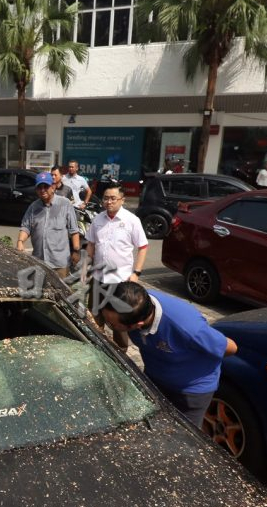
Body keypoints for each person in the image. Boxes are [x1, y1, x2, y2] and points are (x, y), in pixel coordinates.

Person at [101, 281, 238, 427]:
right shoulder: (134, 303)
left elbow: (231, 348)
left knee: (184, 440)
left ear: (137, 325)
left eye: (111, 324)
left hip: (190, 392)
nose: (109, 326)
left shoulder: (188, 328)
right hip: (155, 380)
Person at [85, 186, 148, 346]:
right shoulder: (98, 219)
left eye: (113, 198)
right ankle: (96, 347)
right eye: (106, 198)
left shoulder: (132, 220)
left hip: (120, 281)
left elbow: (143, 247)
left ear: (122, 200)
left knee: (119, 321)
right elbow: (91, 244)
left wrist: (136, 273)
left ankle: (120, 353)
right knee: (94, 317)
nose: (108, 202)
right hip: (99, 279)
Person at [17, 171, 80, 278]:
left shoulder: (65, 204)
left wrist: (76, 251)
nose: (42, 190)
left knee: (60, 293)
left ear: (53, 187)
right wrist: (20, 241)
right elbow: (26, 227)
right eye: (39, 187)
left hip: (59, 264)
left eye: (46, 186)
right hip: (39, 261)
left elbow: (73, 230)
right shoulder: (33, 207)